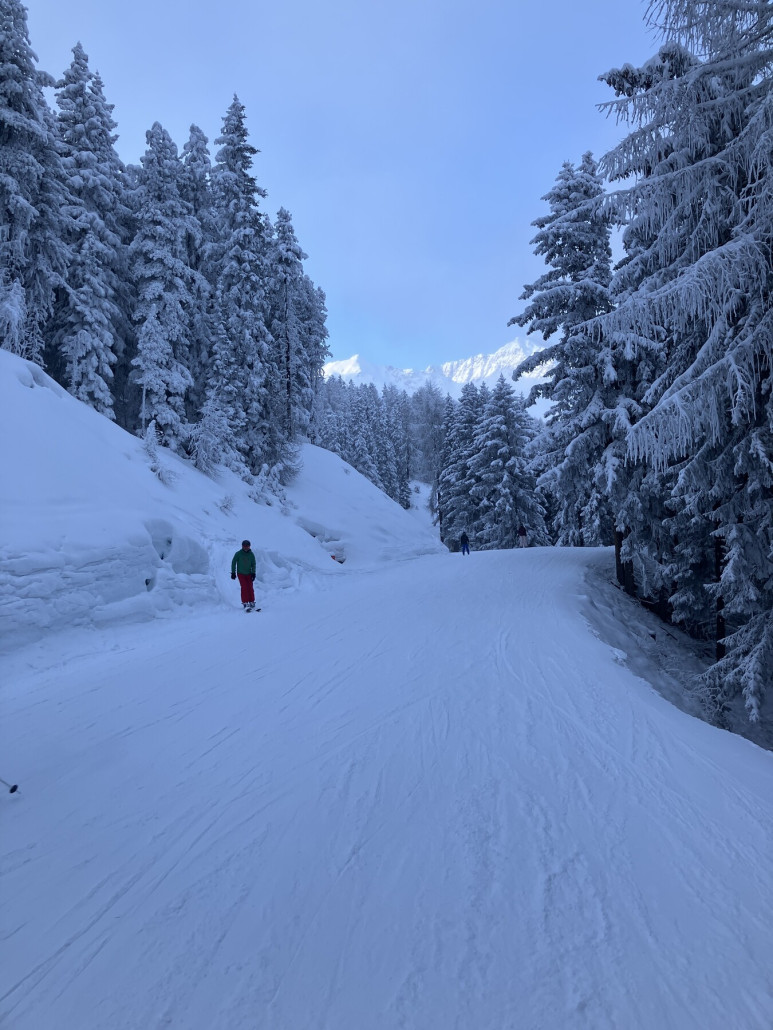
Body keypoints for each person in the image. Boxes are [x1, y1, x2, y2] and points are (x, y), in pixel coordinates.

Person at [231, 539, 257, 610]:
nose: (246, 547)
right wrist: (233, 572)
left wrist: (253, 573)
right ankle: (245, 602)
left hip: (249, 574)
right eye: (244, 546)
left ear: (249, 546)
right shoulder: (238, 554)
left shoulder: (251, 554)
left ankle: (251, 601)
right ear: (242, 546)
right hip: (241, 574)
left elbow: (253, 564)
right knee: (244, 587)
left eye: (247, 546)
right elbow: (233, 563)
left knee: (250, 587)